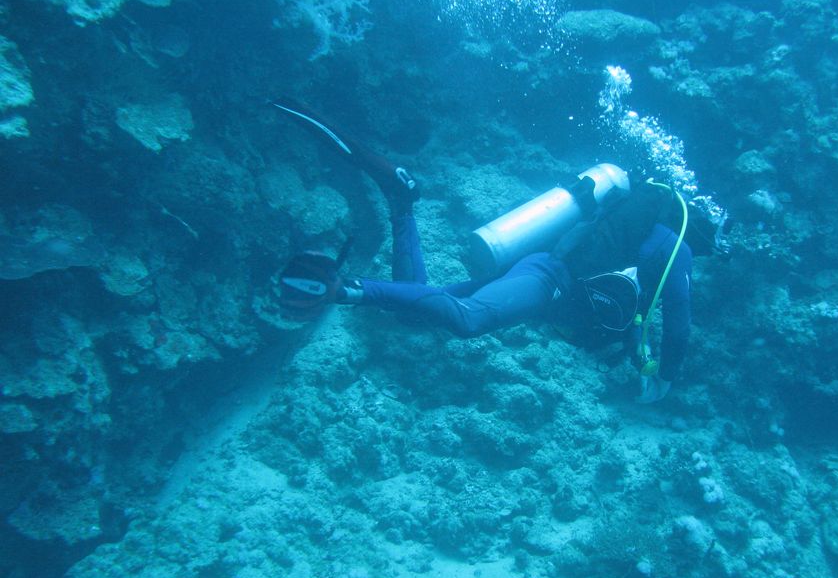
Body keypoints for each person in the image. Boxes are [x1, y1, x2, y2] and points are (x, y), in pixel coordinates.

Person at [276, 104, 724, 403]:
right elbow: (678, 323)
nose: (702, 255)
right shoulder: (676, 245)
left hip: (539, 267)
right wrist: (665, 379)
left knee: (416, 311)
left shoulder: (646, 223)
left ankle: (400, 199)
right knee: (468, 319)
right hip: (548, 278)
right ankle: (344, 289)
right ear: (701, 233)